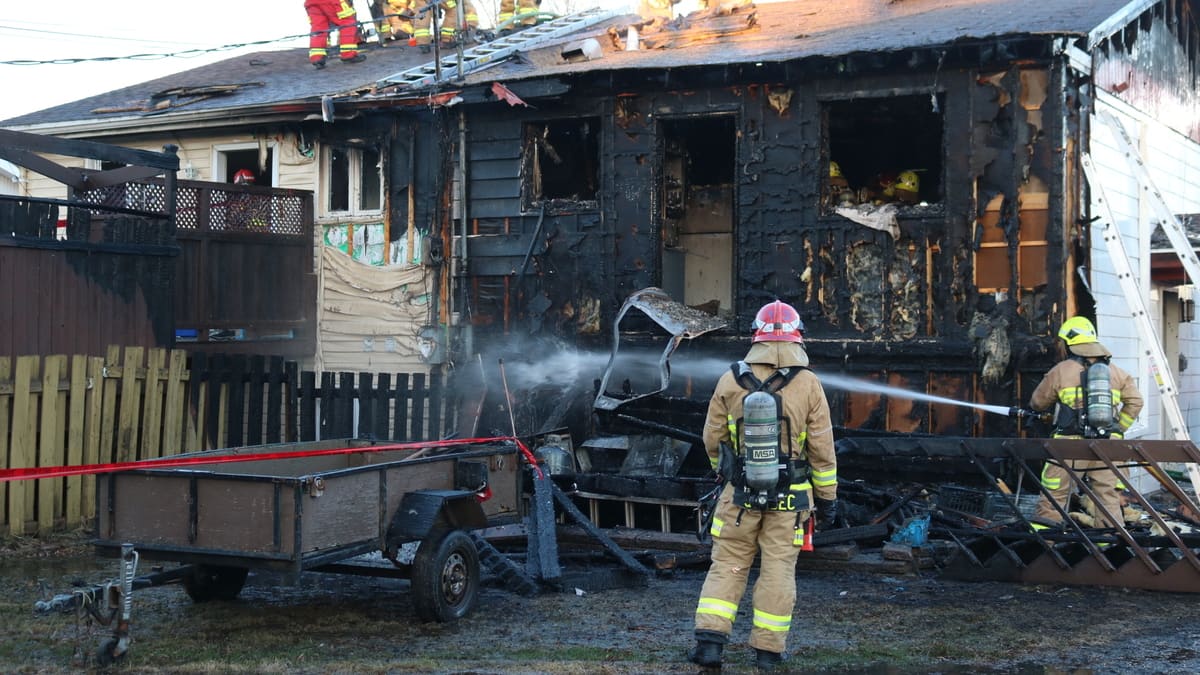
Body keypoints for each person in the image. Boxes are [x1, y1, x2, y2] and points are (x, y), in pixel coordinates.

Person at [689, 300, 838, 671]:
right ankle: (768, 654)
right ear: (797, 335)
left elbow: (712, 439)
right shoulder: (808, 384)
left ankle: (710, 645)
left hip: (738, 496)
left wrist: (723, 473)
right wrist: (828, 498)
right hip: (790, 498)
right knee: (777, 570)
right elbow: (821, 448)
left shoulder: (730, 380)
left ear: (756, 335)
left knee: (728, 566)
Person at [1029, 316, 1143, 528]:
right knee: (1107, 498)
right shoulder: (1117, 372)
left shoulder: (1062, 370)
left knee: (1054, 495)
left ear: (1069, 343)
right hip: (1108, 446)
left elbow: (1037, 403)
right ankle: (1108, 548)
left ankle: (1044, 547)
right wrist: (1118, 429)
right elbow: (1136, 402)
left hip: (1069, 446)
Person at [305, 0, 367, 69]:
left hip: (311, 2)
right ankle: (348, 54)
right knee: (347, 22)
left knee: (318, 27)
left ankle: (317, 58)